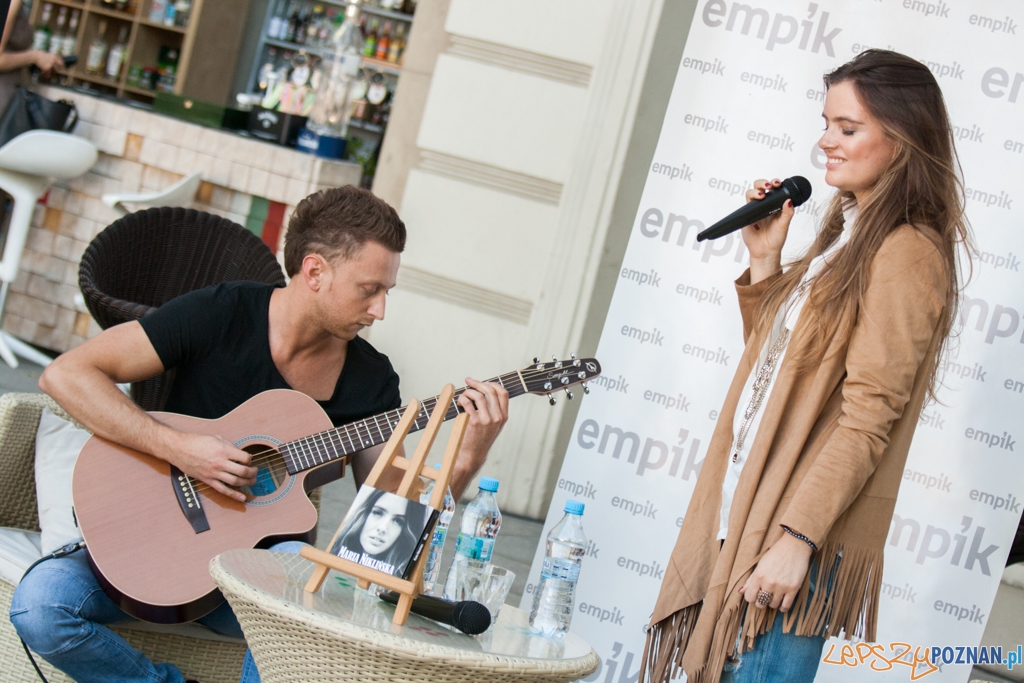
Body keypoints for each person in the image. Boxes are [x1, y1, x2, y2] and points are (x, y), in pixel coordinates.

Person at [11, 186, 510, 683]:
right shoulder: (221, 312)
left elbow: (389, 543)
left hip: (257, 580)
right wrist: (181, 450)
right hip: (153, 548)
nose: (380, 309)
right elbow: (66, 375)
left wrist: (467, 458)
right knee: (39, 608)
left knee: (295, 574)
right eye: (369, 289)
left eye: (387, 292)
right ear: (315, 272)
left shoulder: (371, 379)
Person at [641, 50, 970, 683]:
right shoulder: (847, 234)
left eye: (848, 129)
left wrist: (797, 541)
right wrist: (767, 262)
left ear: (902, 141)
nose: (825, 141)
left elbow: (869, 418)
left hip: (795, 536)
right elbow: (778, 371)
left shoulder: (907, 252)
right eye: (827, 123)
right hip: (759, 511)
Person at [330, 487, 428, 578]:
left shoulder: (400, 574)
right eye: (377, 513)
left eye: (398, 521)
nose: (382, 528)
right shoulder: (336, 553)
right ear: (364, 514)